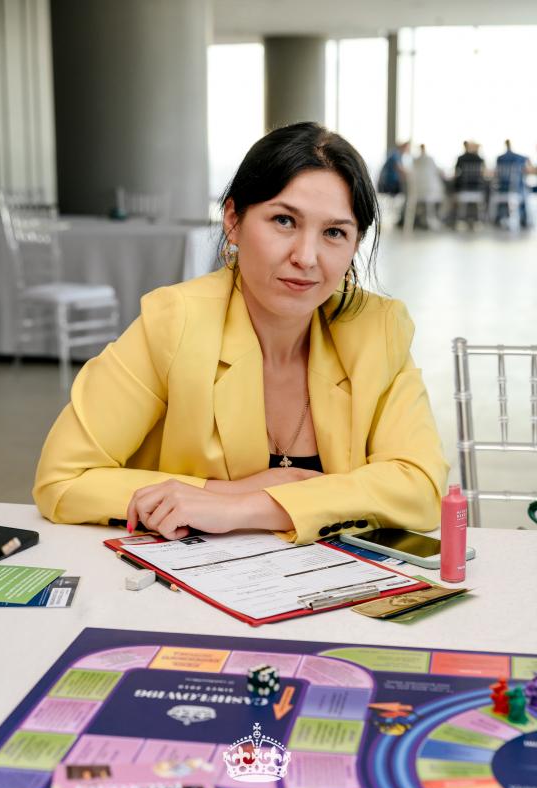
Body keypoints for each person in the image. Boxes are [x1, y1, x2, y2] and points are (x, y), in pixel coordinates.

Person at [33, 123, 448, 545]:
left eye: (334, 232)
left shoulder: (377, 328)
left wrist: (247, 505)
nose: (306, 257)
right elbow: (62, 479)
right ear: (233, 220)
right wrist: (222, 492)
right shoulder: (174, 322)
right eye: (284, 221)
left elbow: (421, 486)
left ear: (355, 243)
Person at [493, 139, 530, 228]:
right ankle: (523, 219)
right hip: (515, 190)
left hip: (502, 189)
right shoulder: (519, 157)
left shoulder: (500, 158)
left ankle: (499, 217)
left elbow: (496, 173)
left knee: (501, 192)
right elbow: (527, 163)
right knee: (523, 191)